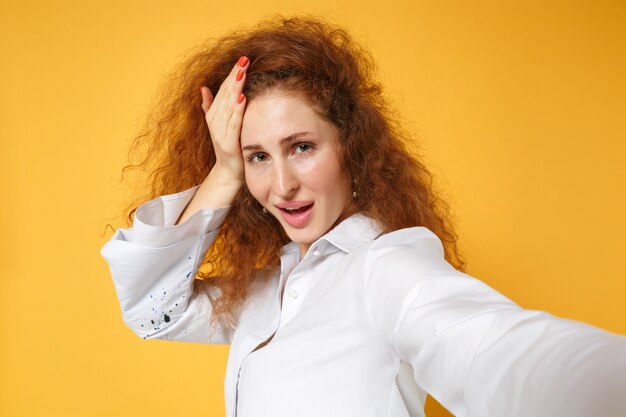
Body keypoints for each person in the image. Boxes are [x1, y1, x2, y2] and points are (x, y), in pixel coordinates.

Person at [101, 15, 626, 417]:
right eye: (258, 155)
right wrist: (225, 171)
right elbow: (153, 310)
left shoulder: (384, 267)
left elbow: (497, 350)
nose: (281, 186)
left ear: (349, 146)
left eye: (302, 146)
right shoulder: (265, 293)